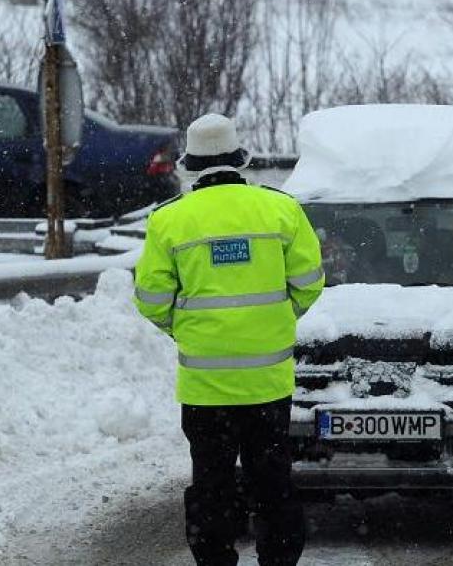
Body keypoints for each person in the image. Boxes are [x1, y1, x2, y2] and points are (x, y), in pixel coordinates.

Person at [133, 113, 324, 566]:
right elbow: (310, 281)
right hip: (268, 384)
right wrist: (276, 320)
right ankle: (278, 559)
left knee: (213, 483)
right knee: (272, 480)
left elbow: (150, 298)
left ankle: (215, 557)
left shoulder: (170, 221)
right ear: (241, 159)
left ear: (191, 166)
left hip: (205, 387)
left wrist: (186, 328)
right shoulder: (280, 209)